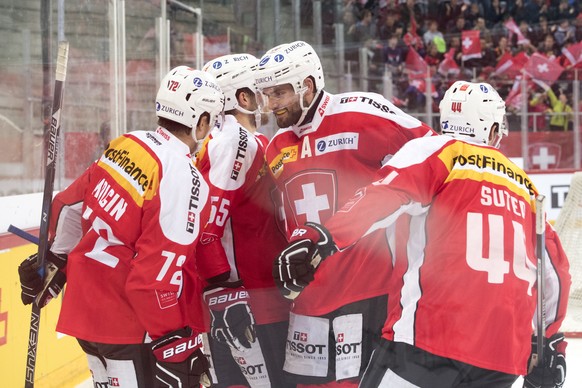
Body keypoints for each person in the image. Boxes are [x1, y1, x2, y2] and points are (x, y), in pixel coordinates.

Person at [274, 80, 572, 387]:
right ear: (492, 127)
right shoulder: (525, 186)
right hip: (503, 354)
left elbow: (385, 195)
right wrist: (551, 342)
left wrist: (323, 239)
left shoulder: (439, 151)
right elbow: (555, 272)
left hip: (432, 338)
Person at [17, 66, 225, 387]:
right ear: (201, 121)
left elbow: (68, 207)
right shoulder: (183, 175)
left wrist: (56, 259)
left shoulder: (127, 144)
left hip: (86, 315)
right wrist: (174, 343)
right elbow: (155, 276)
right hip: (133, 324)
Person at [255, 40, 436, 387]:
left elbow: (432, 153)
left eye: (279, 94)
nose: (271, 104)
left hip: (367, 294)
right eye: (267, 95)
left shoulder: (361, 112)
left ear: (306, 86)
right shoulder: (277, 147)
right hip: (308, 304)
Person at [197, 53, 293, 387]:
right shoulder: (237, 141)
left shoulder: (238, 140)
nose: (266, 97)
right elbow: (208, 226)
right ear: (242, 97)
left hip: (258, 295)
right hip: (249, 301)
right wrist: (224, 289)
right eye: (258, 89)